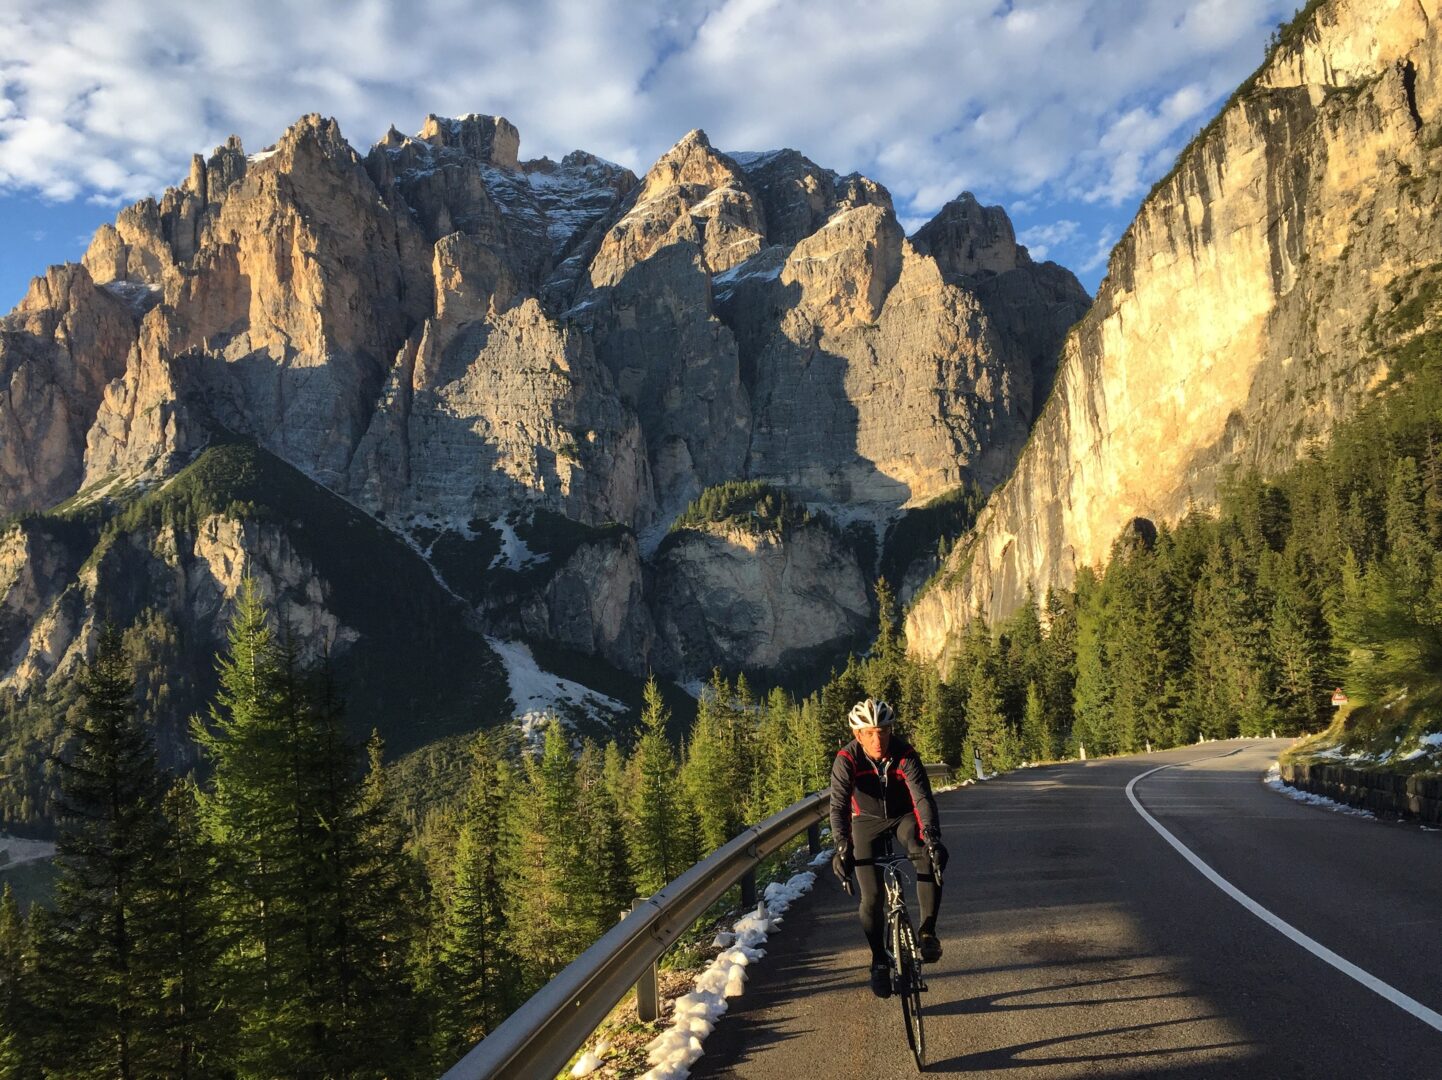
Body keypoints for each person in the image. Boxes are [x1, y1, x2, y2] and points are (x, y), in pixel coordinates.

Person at [830, 697, 949, 998]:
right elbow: (839, 805)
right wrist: (842, 846)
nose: (877, 738)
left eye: (883, 730)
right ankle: (879, 960)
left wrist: (932, 838)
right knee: (871, 895)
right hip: (866, 822)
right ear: (857, 735)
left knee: (923, 853)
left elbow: (922, 799)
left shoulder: (905, 754)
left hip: (903, 816)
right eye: (869, 732)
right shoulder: (847, 759)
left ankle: (927, 931)